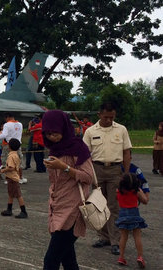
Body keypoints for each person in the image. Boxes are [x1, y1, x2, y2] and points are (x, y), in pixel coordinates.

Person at [40, 110, 94, 269]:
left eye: (55, 133)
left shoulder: (77, 147)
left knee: (50, 261)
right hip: (57, 205)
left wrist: (64, 167)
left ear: (64, 128)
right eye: (48, 133)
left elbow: (88, 177)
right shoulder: (55, 148)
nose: (52, 137)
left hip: (73, 209)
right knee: (68, 260)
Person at [83, 102, 132, 255]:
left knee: (113, 206)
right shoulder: (90, 131)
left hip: (115, 170)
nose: (109, 120)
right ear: (99, 115)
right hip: (96, 169)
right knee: (99, 205)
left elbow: (126, 152)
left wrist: (126, 173)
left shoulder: (121, 129)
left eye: (112, 117)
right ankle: (103, 237)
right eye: (106, 117)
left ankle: (115, 241)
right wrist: (88, 173)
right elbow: (85, 154)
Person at [115, 173, 148, 267]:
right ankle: (140, 257)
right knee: (137, 236)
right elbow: (145, 201)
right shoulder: (136, 191)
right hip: (134, 214)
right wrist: (143, 192)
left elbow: (117, 199)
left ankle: (121, 257)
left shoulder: (118, 191)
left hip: (122, 214)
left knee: (123, 237)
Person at [0, 138, 27, 218]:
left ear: (9, 146)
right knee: (11, 194)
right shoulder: (16, 155)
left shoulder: (11, 156)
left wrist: (4, 170)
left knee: (18, 195)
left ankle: (23, 211)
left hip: (12, 178)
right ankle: (9, 209)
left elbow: (11, 167)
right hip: (13, 177)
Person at [0, 112, 25, 183]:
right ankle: (20, 177)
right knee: (18, 161)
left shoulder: (7, 124)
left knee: (6, 161)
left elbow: (4, 135)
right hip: (18, 145)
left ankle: (8, 178)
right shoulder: (20, 124)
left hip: (9, 145)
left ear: (7, 117)